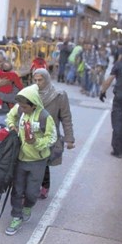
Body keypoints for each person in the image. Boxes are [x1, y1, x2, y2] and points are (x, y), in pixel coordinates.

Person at [4, 85, 57, 235]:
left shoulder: (45, 116)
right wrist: (12, 126)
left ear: (34, 104)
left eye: (25, 107)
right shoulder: (20, 109)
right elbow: (10, 116)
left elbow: (52, 137)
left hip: (37, 161)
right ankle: (16, 217)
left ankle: (28, 206)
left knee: (32, 192)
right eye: (20, 106)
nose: (22, 109)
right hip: (20, 159)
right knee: (17, 190)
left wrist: (36, 142)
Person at [32, 69, 75, 199]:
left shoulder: (59, 95)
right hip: (33, 134)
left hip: (49, 136)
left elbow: (66, 118)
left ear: (47, 79)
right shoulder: (31, 93)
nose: (37, 83)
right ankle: (31, 188)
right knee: (31, 162)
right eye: (35, 80)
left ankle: (44, 186)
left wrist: (69, 139)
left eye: (40, 80)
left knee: (44, 162)